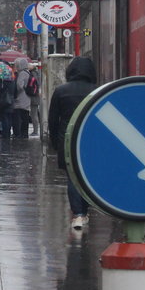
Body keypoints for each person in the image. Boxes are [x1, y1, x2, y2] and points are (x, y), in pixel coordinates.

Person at [48, 56, 98, 230]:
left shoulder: (61, 91)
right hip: (91, 141)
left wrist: (55, 143)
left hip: (67, 141)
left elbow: (53, 120)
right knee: (87, 177)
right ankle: (85, 210)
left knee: (73, 177)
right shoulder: (97, 91)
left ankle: (78, 214)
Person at [0, 59, 17, 138]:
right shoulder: (11, 77)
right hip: (10, 100)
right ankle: (7, 133)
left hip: (3, 101)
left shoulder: (2, 80)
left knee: (3, 117)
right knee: (8, 117)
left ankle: (5, 134)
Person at [12, 57, 34, 138]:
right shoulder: (27, 72)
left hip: (21, 98)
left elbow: (19, 86)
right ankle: (25, 133)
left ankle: (21, 133)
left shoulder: (21, 73)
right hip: (27, 97)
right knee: (25, 116)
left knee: (20, 117)